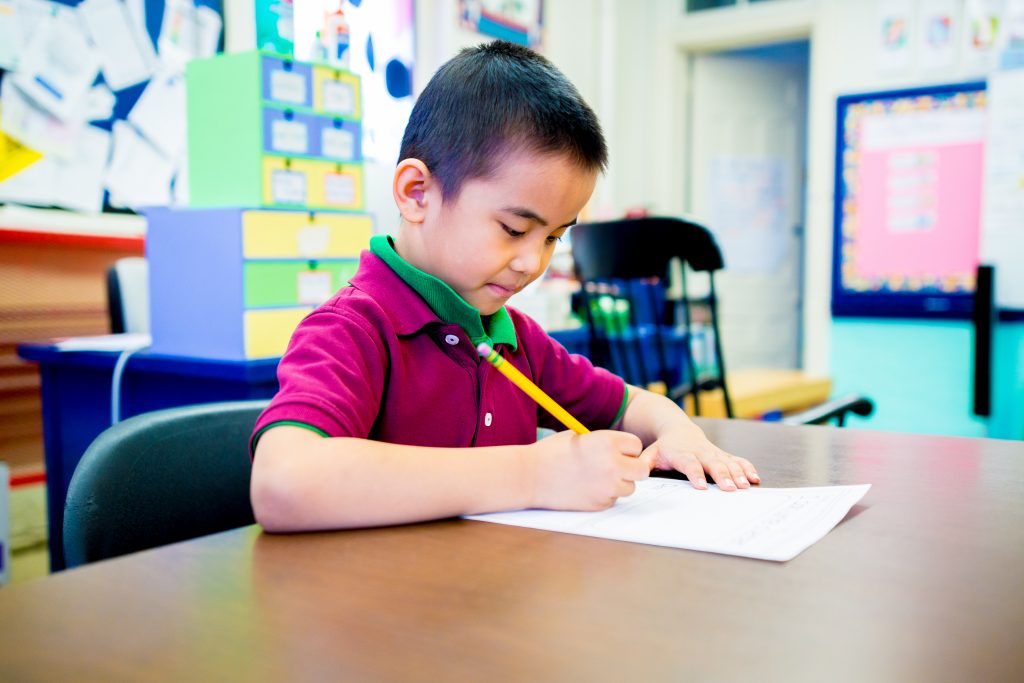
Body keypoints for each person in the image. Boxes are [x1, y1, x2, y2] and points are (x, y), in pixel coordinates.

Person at [250, 40, 759, 532]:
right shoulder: (352, 330)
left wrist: (677, 432)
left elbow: (630, 405)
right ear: (416, 193)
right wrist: (534, 474)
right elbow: (283, 483)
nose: (531, 262)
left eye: (553, 238)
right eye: (515, 230)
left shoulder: (512, 336)